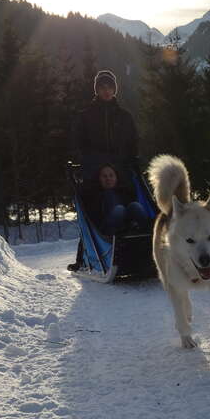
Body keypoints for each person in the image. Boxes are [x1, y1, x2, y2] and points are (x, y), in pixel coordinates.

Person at [68, 69, 142, 271]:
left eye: (110, 87)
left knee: (134, 205)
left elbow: (133, 143)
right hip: (95, 173)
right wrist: (98, 165)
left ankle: (141, 235)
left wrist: (128, 163)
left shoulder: (124, 116)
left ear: (114, 89)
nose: (107, 90)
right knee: (104, 205)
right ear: (97, 90)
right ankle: (87, 254)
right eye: (102, 87)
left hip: (122, 173)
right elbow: (80, 145)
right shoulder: (86, 116)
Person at [96, 165, 149, 235]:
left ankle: (149, 232)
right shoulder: (95, 195)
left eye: (111, 175)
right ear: (99, 179)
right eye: (104, 176)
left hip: (127, 224)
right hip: (104, 231)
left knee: (135, 206)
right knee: (119, 209)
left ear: (116, 178)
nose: (108, 179)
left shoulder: (125, 191)